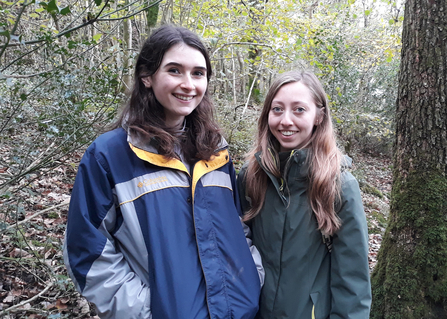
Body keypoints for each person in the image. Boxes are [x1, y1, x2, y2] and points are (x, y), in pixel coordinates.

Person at [63, 25, 264, 319]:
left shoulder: (216, 151)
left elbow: (238, 228)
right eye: (174, 70)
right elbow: (87, 251)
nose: (188, 84)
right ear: (147, 76)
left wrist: (251, 281)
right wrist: (149, 311)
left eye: (198, 73)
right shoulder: (110, 155)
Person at [237, 70, 371, 319]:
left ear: (319, 116)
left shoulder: (338, 185)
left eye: (299, 110)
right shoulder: (251, 176)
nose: (286, 120)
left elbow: (353, 281)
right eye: (277, 109)